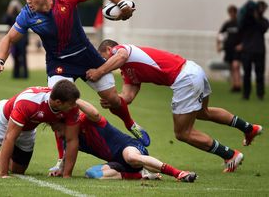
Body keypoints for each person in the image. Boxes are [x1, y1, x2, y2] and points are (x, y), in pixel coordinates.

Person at [0, 0, 150, 169]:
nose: (28, 1)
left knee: (112, 99)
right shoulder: (27, 14)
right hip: (58, 63)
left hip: (85, 55)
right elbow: (8, 39)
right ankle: (61, 160)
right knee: (58, 106)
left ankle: (130, 124)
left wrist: (121, 3)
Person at [86, 39, 263, 173]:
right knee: (203, 112)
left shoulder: (121, 50)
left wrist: (99, 71)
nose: (105, 64)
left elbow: (121, 56)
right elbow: (128, 97)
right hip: (193, 71)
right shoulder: (128, 73)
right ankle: (248, 128)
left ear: (109, 50)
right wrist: (113, 100)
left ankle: (230, 155)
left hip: (185, 79)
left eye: (104, 59)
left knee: (182, 133)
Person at [48, 100, 197, 182]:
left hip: (130, 147)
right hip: (118, 164)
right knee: (91, 174)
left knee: (131, 158)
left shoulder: (86, 120)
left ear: (67, 123)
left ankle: (178, 173)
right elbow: (66, 161)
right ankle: (141, 175)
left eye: (59, 129)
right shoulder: (70, 140)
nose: (58, 134)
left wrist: (73, 99)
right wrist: (58, 171)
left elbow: (94, 112)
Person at [238, 0, 268, 100]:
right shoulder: (247, 20)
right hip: (247, 50)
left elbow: (263, 28)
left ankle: (260, 94)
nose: (262, 10)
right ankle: (246, 95)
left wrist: (256, 17)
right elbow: (240, 25)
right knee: (246, 74)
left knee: (260, 74)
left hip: (259, 51)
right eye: (260, 7)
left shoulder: (264, 21)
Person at [216, 5, 242, 92]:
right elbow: (220, 34)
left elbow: (246, 36)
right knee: (231, 66)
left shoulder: (240, 23)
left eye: (233, 12)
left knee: (236, 65)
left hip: (237, 49)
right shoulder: (227, 24)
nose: (231, 14)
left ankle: (238, 84)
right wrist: (218, 45)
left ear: (236, 13)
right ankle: (234, 85)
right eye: (230, 12)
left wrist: (242, 44)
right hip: (228, 48)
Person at [3, 0, 28, 79]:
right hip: (14, 40)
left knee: (23, 57)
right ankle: (16, 74)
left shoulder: (22, 14)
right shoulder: (10, 16)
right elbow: (4, 20)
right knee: (15, 57)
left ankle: (25, 75)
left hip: (22, 39)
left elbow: (26, 25)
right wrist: (9, 11)